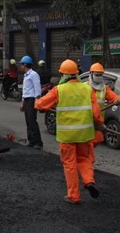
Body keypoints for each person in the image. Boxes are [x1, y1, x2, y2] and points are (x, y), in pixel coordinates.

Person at [35, 59, 103, 204]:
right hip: (85, 135)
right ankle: (89, 182)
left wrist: (40, 105)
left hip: (67, 137)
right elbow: (96, 114)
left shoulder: (59, 90)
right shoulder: (87, 89)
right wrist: (100, 125)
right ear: (76, 74)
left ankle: (74, 196)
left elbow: (40, 104)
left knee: (70, 164)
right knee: (84, 159)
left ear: (63, 75)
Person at [89, 62, 120, 148]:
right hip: (87, 120)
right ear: (91, 74)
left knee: (98, 138)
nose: (99, 77)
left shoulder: (104, 88)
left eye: (101, 75)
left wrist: (117, 99)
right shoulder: (84, 87)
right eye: (97, 75)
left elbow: (112, 96)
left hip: (98, 121)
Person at [19, 56, 43, 149]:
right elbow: (25, 91)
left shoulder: (33, 74)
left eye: (21, 64)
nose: (21, 66)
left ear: (25, 64)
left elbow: (37, 89)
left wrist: (37, 101)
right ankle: (31, 141)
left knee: (32, 121)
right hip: (27, 100)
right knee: (28, 121)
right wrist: (22, 102)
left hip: (32, 100)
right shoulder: (26, 75)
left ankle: (38, 142)